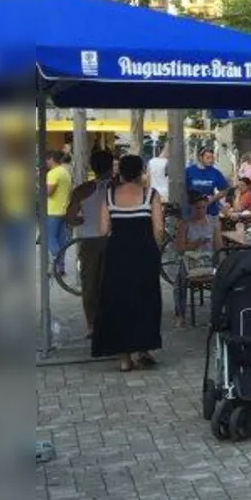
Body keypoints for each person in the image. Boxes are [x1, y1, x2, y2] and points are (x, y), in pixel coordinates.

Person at [92, 154, 164, 371]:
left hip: (118, 255)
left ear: (120, 172)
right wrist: (155, 248)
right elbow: (158, 229)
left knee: (118, 302)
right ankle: (144, 349)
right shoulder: (150, 195)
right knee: (146, 299)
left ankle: (124, 358)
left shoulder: (109, 195)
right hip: (144, 253)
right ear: (141, 171)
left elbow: (103, 230)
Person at [64, 150, 116, 337]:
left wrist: (83, 220)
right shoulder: (119, 188)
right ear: (111, 166)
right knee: (114, 282)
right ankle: (113, 320)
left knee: (90, 284)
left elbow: (70, 218)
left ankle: (92, 325)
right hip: (114, 239)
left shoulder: (82, 190)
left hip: (90, 240)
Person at [171, 193, 217, 329]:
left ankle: (217, 314)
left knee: (223, 277)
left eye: (204, 207)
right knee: (180, 282)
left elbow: (219, 247)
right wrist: (195, 244)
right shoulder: (185, 225)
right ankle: (181, 315)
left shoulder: (214, 223)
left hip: (208, 260)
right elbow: (180, 250)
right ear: (191, 208)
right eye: (198, 208)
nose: (201, 211)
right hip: (190, 259)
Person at [43, 150, 72, 277]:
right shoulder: (65, 172)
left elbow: (49, 192)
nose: (45, 162)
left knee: (49, 238)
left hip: (52, 211)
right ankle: (61, 268)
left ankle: (57, 259)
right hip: (64, 210)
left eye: (46, 160)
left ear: (51, 159)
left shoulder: (53, 173)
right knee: (61, 240)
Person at [185, 148, 229, 218]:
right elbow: (182, 189)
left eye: (212, 158)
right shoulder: (188, 171)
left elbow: (224, 189)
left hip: (210, 212)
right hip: (192, 212)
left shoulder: (215, 172)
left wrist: (213, 199)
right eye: (208, 158)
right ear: (200, 157)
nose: (211, 160)